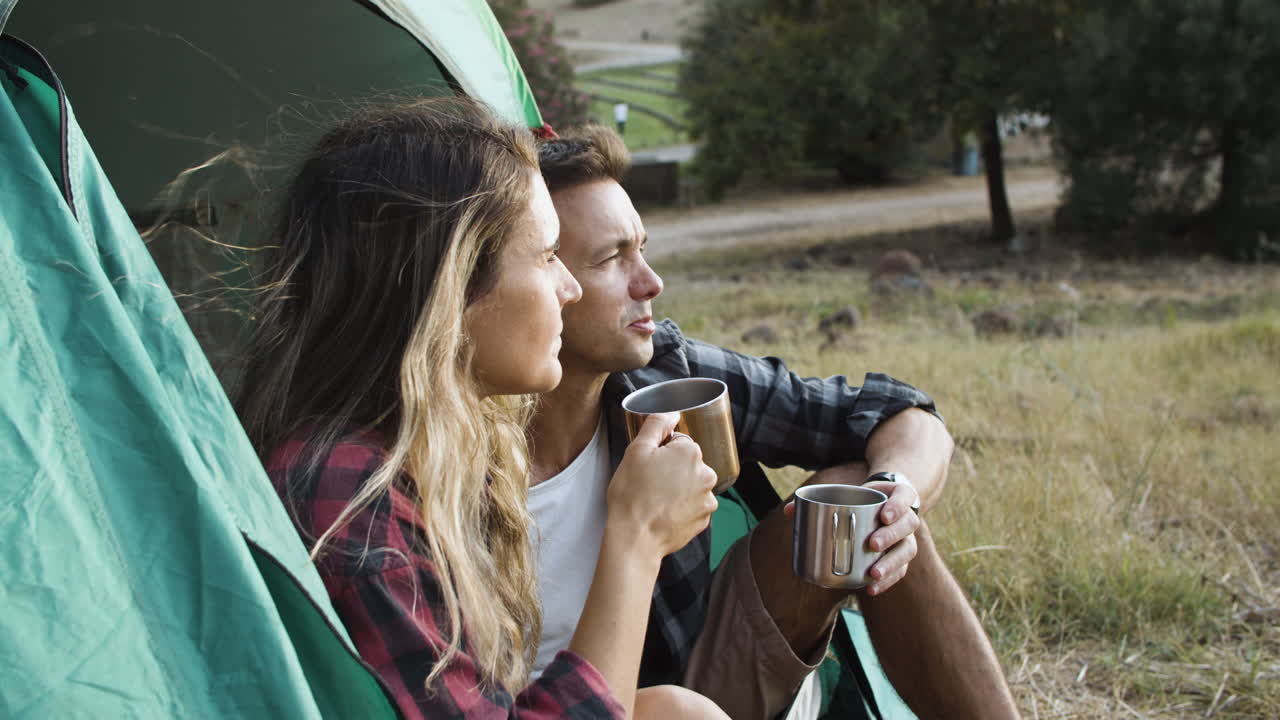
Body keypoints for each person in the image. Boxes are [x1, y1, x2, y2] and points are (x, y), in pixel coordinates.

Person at [236, 98, 729, 719]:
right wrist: (636, 540)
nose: (569, 288)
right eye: (548, 255)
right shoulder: (347, 497)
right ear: (454, 284)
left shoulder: (432, 449)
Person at [529, 125, 1022, 720]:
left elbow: (898, 411)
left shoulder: (663, 375)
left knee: (859, 500)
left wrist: (900, 500)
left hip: (691, 674)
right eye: (612, 258)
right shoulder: (445, 447)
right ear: (538, 276)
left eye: (642, 248)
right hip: (578, 707)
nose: (651, 282)